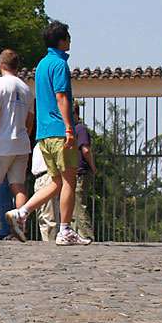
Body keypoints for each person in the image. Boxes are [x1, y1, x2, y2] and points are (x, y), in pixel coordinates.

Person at [4, 21, 92, 246]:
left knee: (56, 182)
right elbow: (61, 96)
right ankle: (65, 230)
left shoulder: (42, 64)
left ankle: (21, 212)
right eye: (68, 37)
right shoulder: (60, 64)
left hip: (44, 134)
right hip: (59, 131)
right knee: (70, 180)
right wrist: (69, 127)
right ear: (62, 40)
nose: (70, 40)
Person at [0, 49, 33, 240]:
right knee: (18, 186)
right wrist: (24, 134)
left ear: (1, 64)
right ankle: (21, 225)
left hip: (1, 143)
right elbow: (30, 119)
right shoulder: (26, 89)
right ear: (17, 66)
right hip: (21, 143)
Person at [72, 102, 97, 241]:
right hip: (77, 171)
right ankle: (79, 234)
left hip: (79, 172)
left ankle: (86, 235)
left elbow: (85, 150)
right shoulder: (76, 129)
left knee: (79, 206)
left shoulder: (79, 129)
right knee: (75, 206)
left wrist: (93, 167)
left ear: (75, 114)